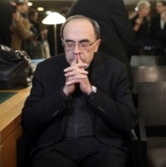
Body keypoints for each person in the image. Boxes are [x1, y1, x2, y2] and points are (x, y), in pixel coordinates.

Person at [21, 15, 136, 167]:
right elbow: (29, 121)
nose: (76, 51)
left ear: (97, 45)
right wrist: (63, 92)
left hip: (103, 147)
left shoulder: (115, 69)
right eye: (70, 43)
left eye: (84, 44)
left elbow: (127, 121)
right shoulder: (45, 69)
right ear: (63, 43)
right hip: (55, 147)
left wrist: (91, 92)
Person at [67, 0, 135, 89]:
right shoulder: (113, 3)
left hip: (83, 73)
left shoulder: (76, 5)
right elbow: (128, 37)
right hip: (114, 71)